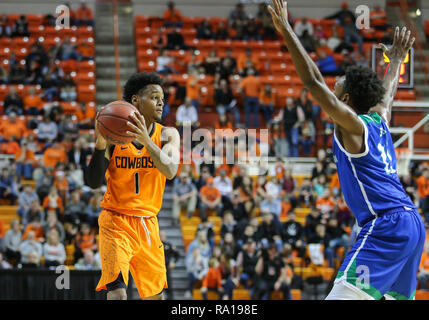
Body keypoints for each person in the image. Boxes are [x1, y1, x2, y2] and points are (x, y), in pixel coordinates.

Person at [269, 1, 423, 300]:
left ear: (347, 99)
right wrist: (396, 61)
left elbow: (313, 82)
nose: (333, 87)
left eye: (337, 86)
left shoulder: (353, 126)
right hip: (411, 224)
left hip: (386, 225)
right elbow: (388, 93)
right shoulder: (378, 119)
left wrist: (287, 30)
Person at [86, 72, 180, 300]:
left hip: (148, 223)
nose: (161, 102)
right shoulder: (114, 136)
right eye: (154, 96)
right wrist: (100, 145)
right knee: (118, 294)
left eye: (162, 98)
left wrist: (146, 141)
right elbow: (92, 182)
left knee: (155, 298)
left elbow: (170, 170)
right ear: (136, 100)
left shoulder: (168, 134)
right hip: (116, 220)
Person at [160, 230, 180, 300]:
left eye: (163, 235)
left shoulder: (169, 245)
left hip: (166, 270)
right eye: (161, 235)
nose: (163, 237)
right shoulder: (155, 245)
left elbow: (177, 255)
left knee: (169, 289)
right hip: (158, 271)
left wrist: (173, 262)